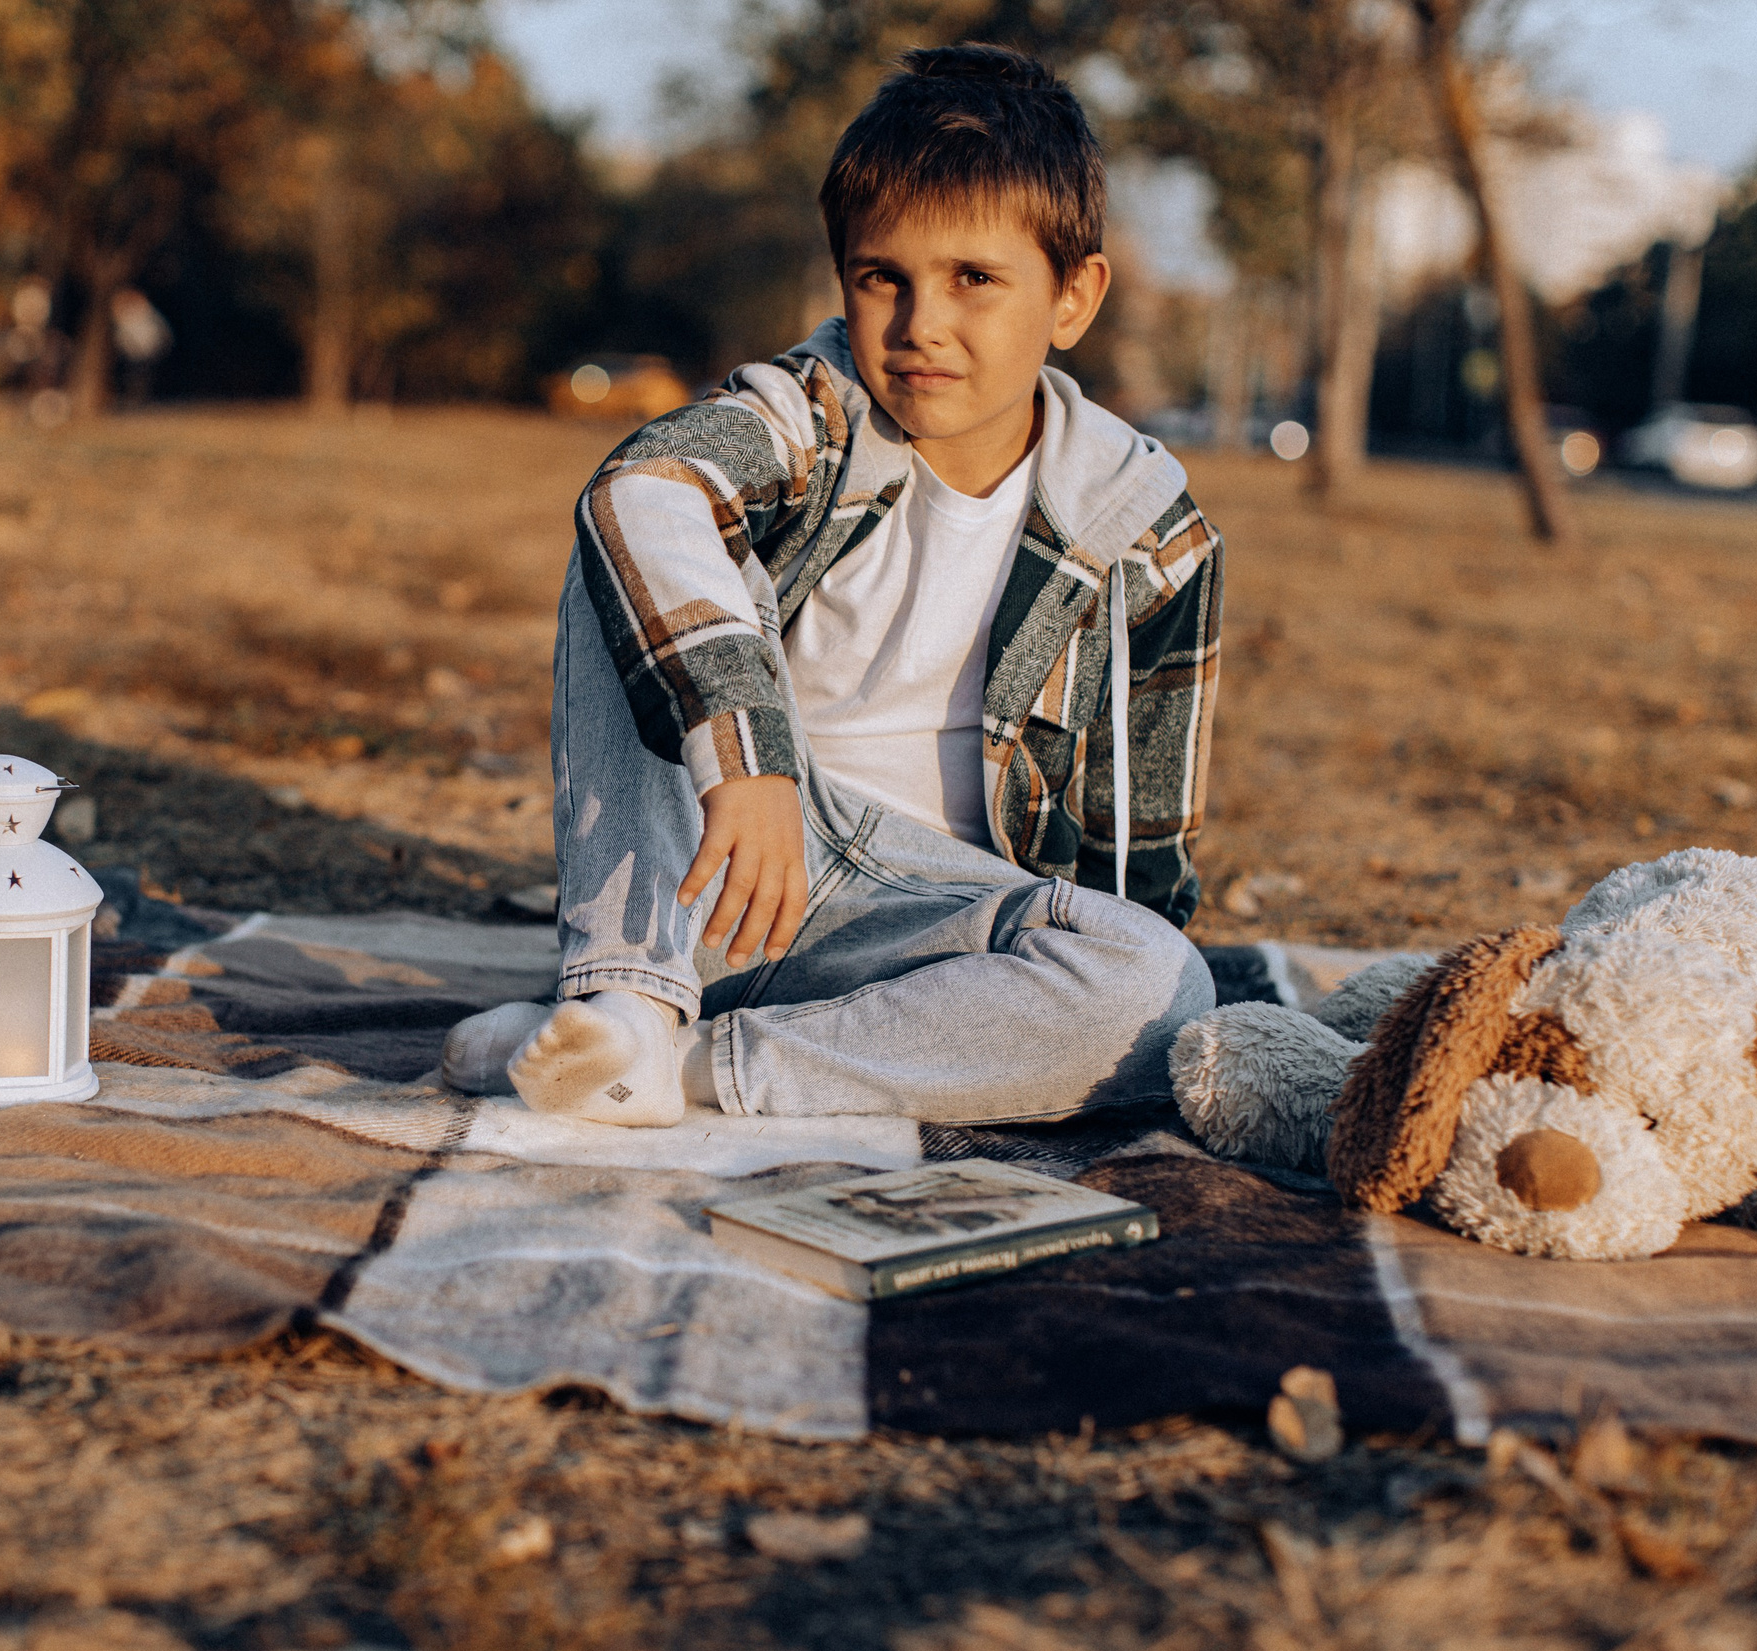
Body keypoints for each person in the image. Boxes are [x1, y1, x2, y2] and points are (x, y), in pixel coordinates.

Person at [446, 43, 1222, 1129]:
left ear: (1073, 297)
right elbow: (647, 490)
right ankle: (622, 994)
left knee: (1165, 984)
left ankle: (667, 1061)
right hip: (722, 874)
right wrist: (748, 750)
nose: (920, 326)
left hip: (932, 935)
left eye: (975, 280)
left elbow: (1136, 857)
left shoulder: (1147, 530)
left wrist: (1102, 1005)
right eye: (881, 278)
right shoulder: (806, 417)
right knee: (635, 524)